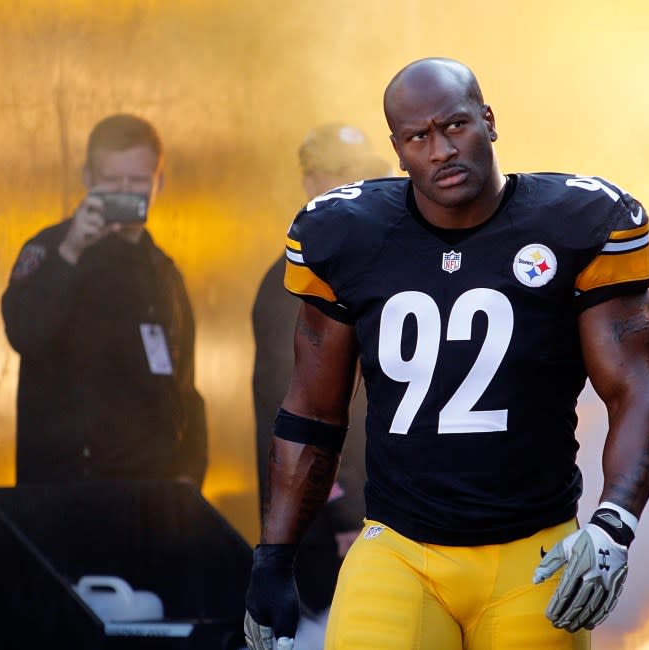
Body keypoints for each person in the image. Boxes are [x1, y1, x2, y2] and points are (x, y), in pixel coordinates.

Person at [244, 58, 649, 650]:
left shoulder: (579, 220)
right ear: (398, 151)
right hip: (399, 546)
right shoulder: (346, 234)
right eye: (418, 137)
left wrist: (612, 524)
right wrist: (274, 557)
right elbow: (311, 413)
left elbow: (637, 388)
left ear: (489, 121)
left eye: (455, 126)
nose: (441, 149)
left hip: (534, 551)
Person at [2, 113, 207, 486]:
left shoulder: (163, 271)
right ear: (88, 180)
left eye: (138, 181)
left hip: (153, 493)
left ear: (159, 182)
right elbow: (26, 334)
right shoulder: (51, 249)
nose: (126, 192)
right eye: (112, 181)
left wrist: (188, 476)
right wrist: (71, 251)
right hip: (69, 490)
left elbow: (185, 386)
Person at [251, 123, 392, 648]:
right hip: (325, 528)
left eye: (364, 172)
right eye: (341, 174)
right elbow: (295, 411)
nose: (358, 185)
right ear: (311, 182)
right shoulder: (294, 281)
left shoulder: (365, 267)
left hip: (369, 520)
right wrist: (340, 513)